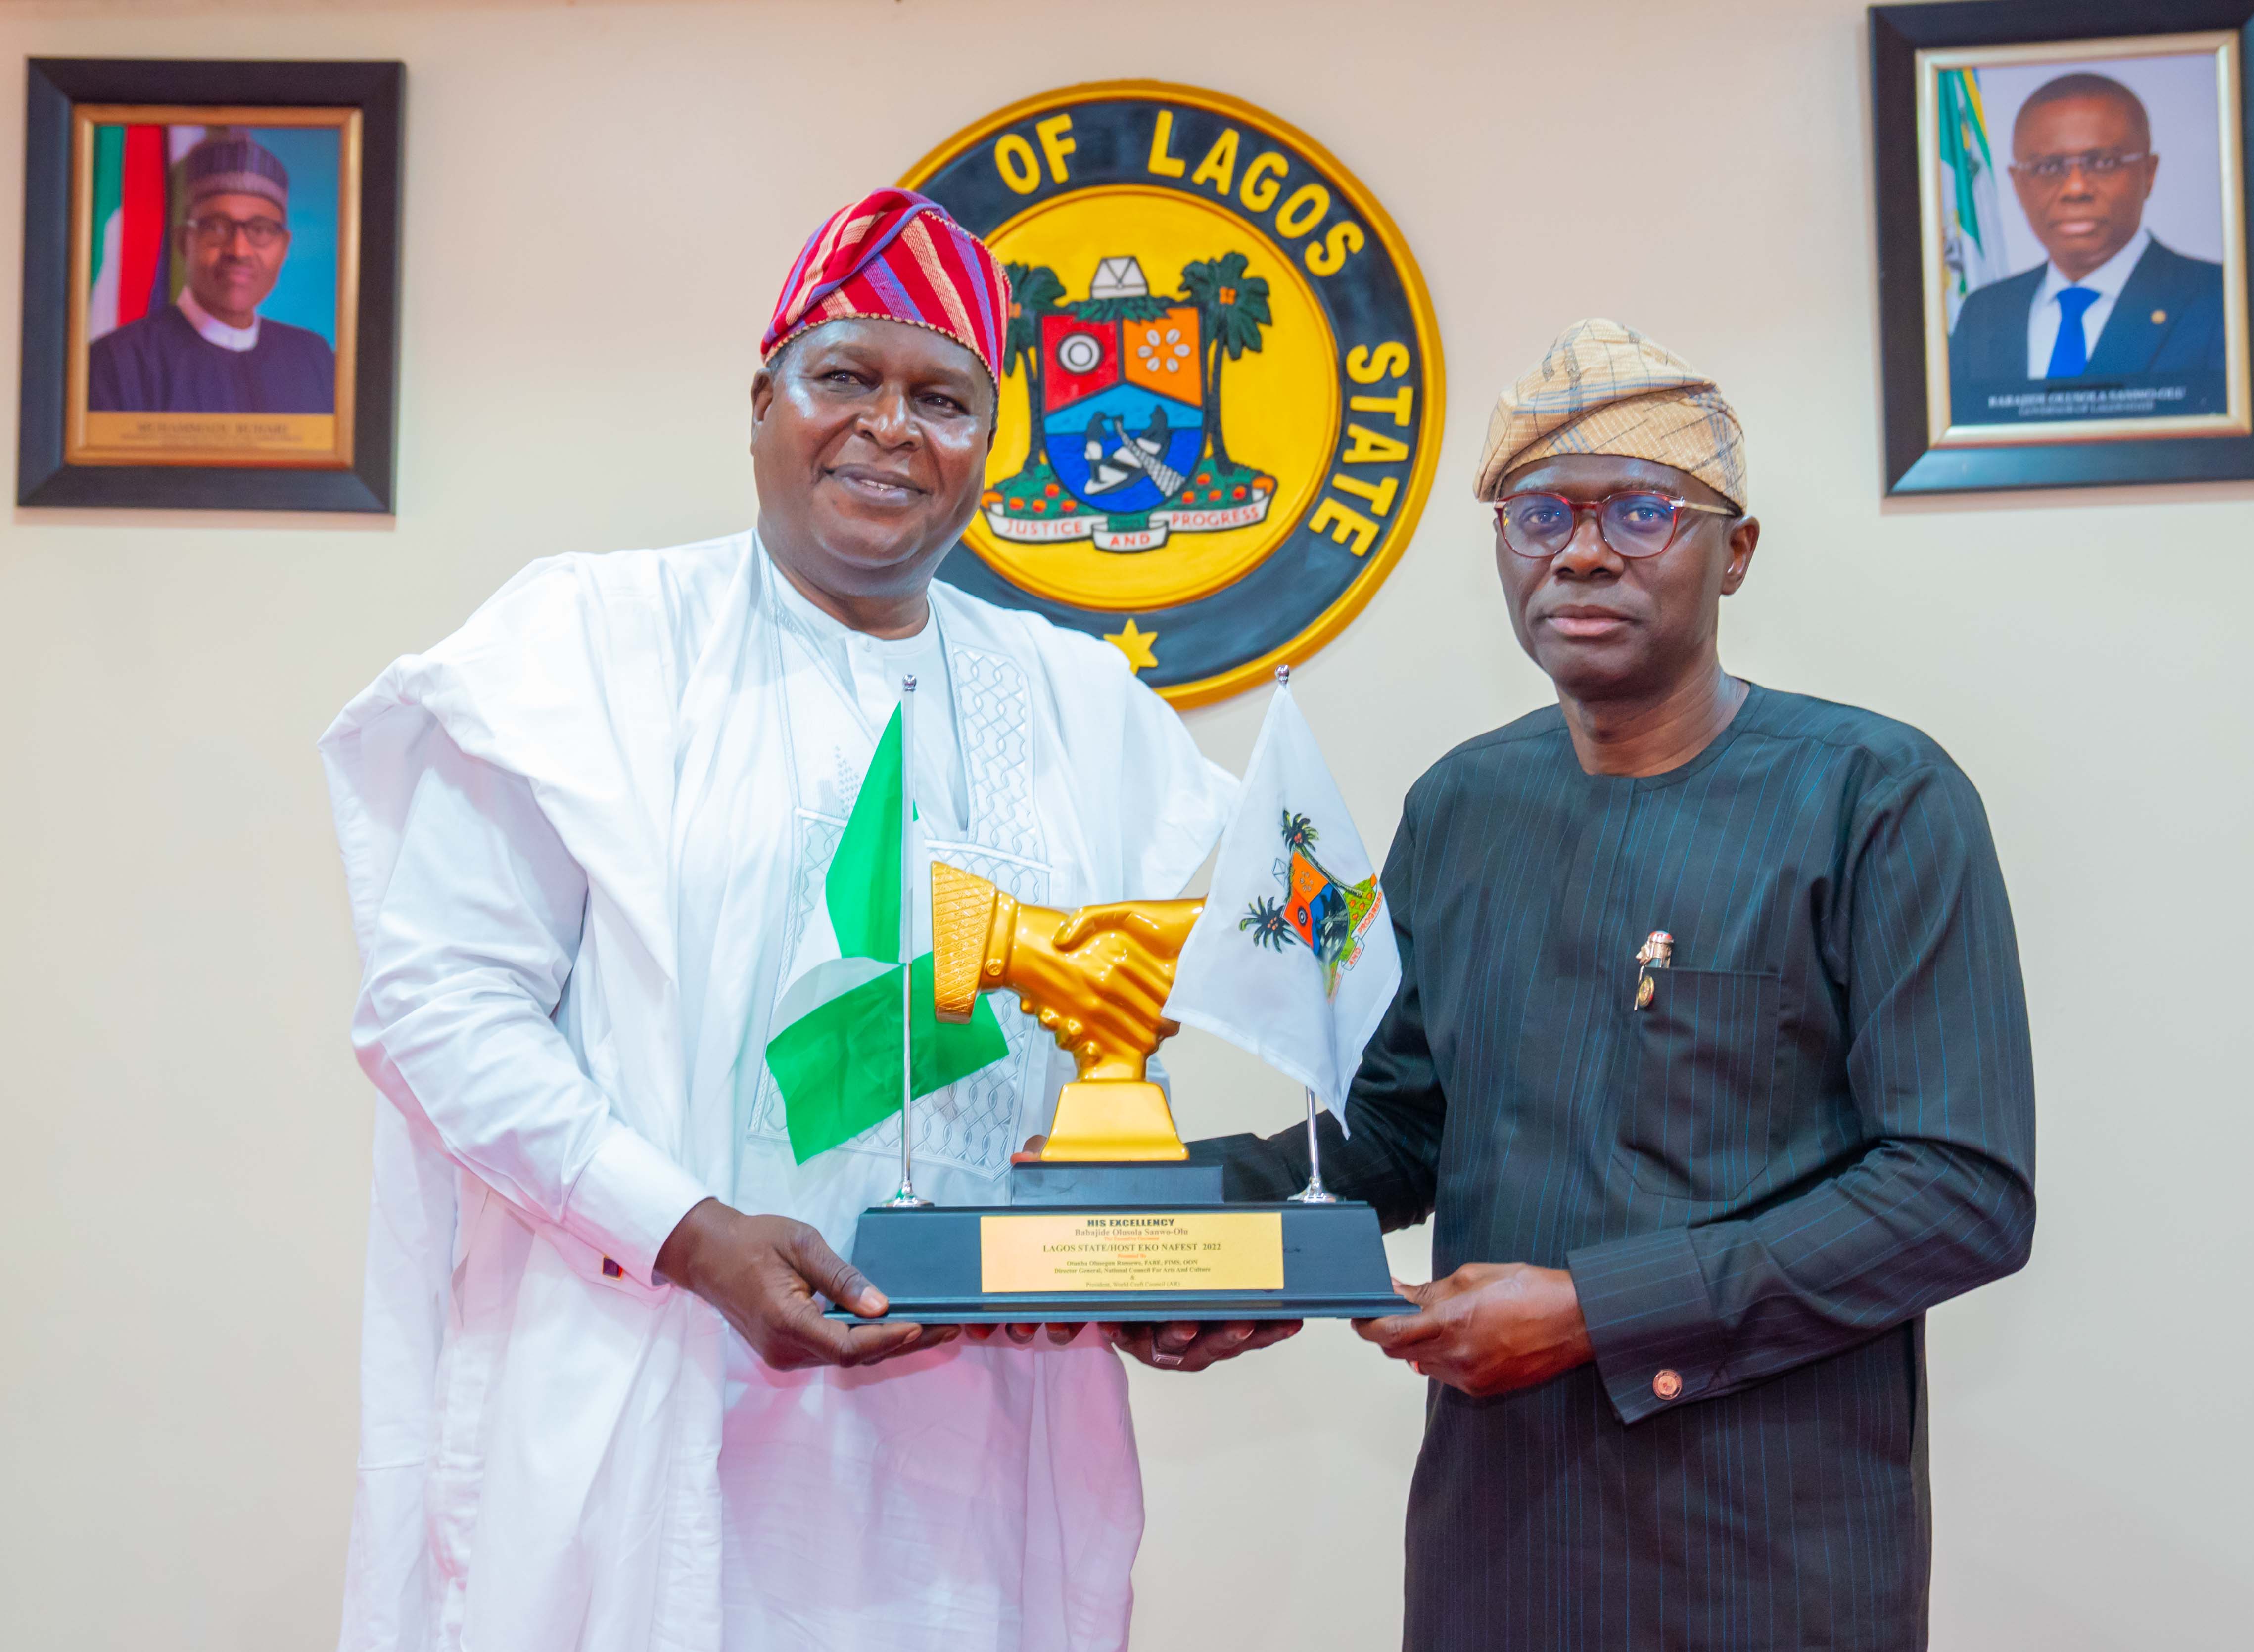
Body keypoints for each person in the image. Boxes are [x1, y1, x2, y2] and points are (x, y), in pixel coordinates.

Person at [320, 188, 1242, 1652]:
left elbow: (1118, 1039)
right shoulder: (588, 646)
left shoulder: (1084, 711)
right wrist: (689, 1235)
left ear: (987, 448)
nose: (889, 426)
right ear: (762, 401)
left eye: (940, 397)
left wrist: (1148, 1265)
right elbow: (440, 1015)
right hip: (645, 1395)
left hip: (978, 1463)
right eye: (845, 378)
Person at [1181, 319, 2038, 1650]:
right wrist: (1199, 1236)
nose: (1583, 551)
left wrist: (1597, 1313)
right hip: (1496, 1545)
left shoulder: (1878, 798)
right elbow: (1404, 1129)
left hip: (1769, 1555)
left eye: (1644, 510)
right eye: (1540, 514)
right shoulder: (1464, 804)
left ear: (1734, 549)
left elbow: (1961, 1193)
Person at [1949, 72, 2225, 416]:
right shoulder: (1985, 314)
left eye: (2103, 163)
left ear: (2149, 173)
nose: (2075, 189)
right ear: (2018, 184)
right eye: (2048, 167)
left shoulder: (2219, 300)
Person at [87, 129, 335, 414]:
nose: (239, 250)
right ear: (183, 242)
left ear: (284, 247)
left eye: (261, 230)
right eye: (216, 226)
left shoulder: (314, 360)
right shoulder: (117, 363)